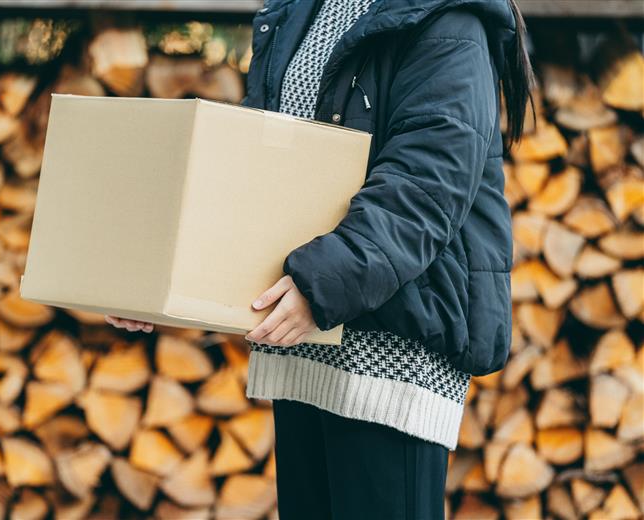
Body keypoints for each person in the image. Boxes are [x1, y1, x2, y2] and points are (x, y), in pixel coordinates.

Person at [106, 0, 533, 516]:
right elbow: (256, 157)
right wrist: (157, 277)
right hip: (306, 345)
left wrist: (322, 286)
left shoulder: (447, 19)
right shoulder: (306, 9)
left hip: (391, 355)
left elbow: (427, 182)